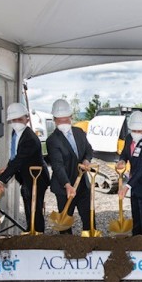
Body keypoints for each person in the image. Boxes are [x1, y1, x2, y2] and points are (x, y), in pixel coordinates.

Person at [0, 103, 50, 233]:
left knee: (35, 207)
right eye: (14, 120)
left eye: (20, 119)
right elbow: (15, 155)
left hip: (37, 177)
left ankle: (38, 233)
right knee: (28, 203)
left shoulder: (30, 138)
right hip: (26, 176)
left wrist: (2, 179)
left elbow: (19, 160)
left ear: (27, 119)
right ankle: (30, 229)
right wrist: (8, 167)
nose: (16, 122)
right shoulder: (17, 132)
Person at [46, 99, 93, 234]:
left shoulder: (79, 133)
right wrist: (67, 185)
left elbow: (89, 150)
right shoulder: (52, 140)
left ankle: (92, 246)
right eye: (60, 121)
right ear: (54, 120)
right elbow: (57, 165)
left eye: (65, 120)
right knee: (65, 222)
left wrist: (86, 160)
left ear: (71, 117)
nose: (63, 123)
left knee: (89, 220)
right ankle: (67, 249)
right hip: (63, 188)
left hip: (82, 185)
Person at [116, 111, 142, 236]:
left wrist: (126, 186)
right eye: (134, 130)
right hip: (134, 184)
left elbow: (141, 170)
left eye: (139, 131)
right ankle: (136, 239)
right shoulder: (129, 138)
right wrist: (122, 160)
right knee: (136, 214)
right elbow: (124, 153)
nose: (137, 133)